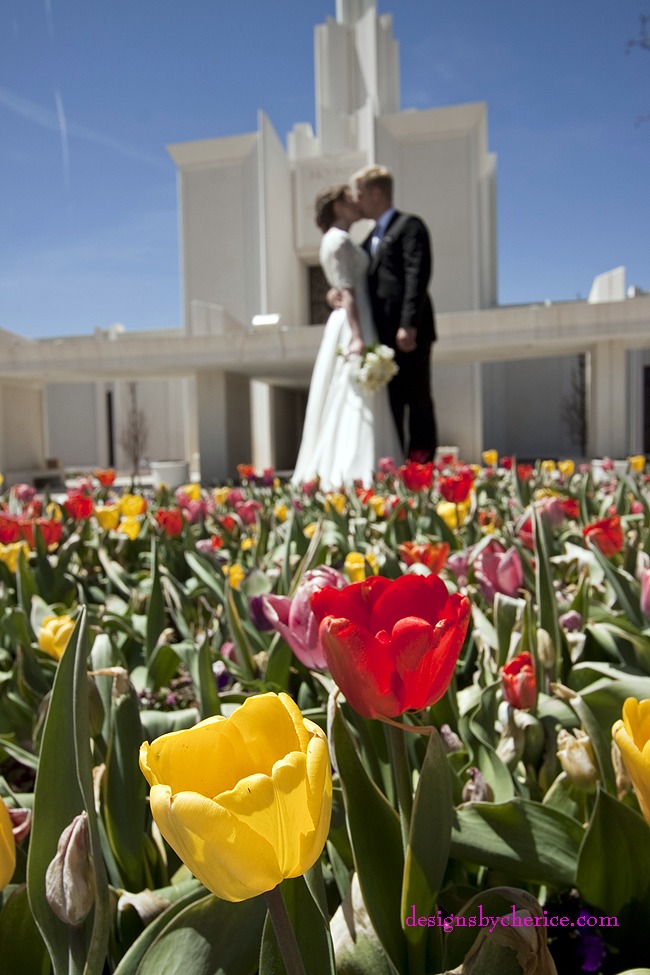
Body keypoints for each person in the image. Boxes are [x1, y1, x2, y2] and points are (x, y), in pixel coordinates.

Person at [291, 185, 402, 489]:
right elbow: (348, 290)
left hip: (354, 318)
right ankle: (354, 471)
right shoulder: (339, 239)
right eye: (350, 200)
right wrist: (356, 335)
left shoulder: (339, 240)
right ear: (337, 206)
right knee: (354, 395)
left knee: (355, 393)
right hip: (354, 322)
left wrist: (332, 296)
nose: (356, 204)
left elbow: (340, 287)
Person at [351, 164, 438, 462]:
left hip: (407, 334)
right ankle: (399, 470)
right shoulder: (367, 240)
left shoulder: (410, 226)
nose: (356, 201)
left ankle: (422, 466)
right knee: (391, 406)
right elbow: (353, 279)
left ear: (376, 193)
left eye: (360, 194)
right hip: (381, 339)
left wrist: (409, 324)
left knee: (417, 400)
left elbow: (418, 274)